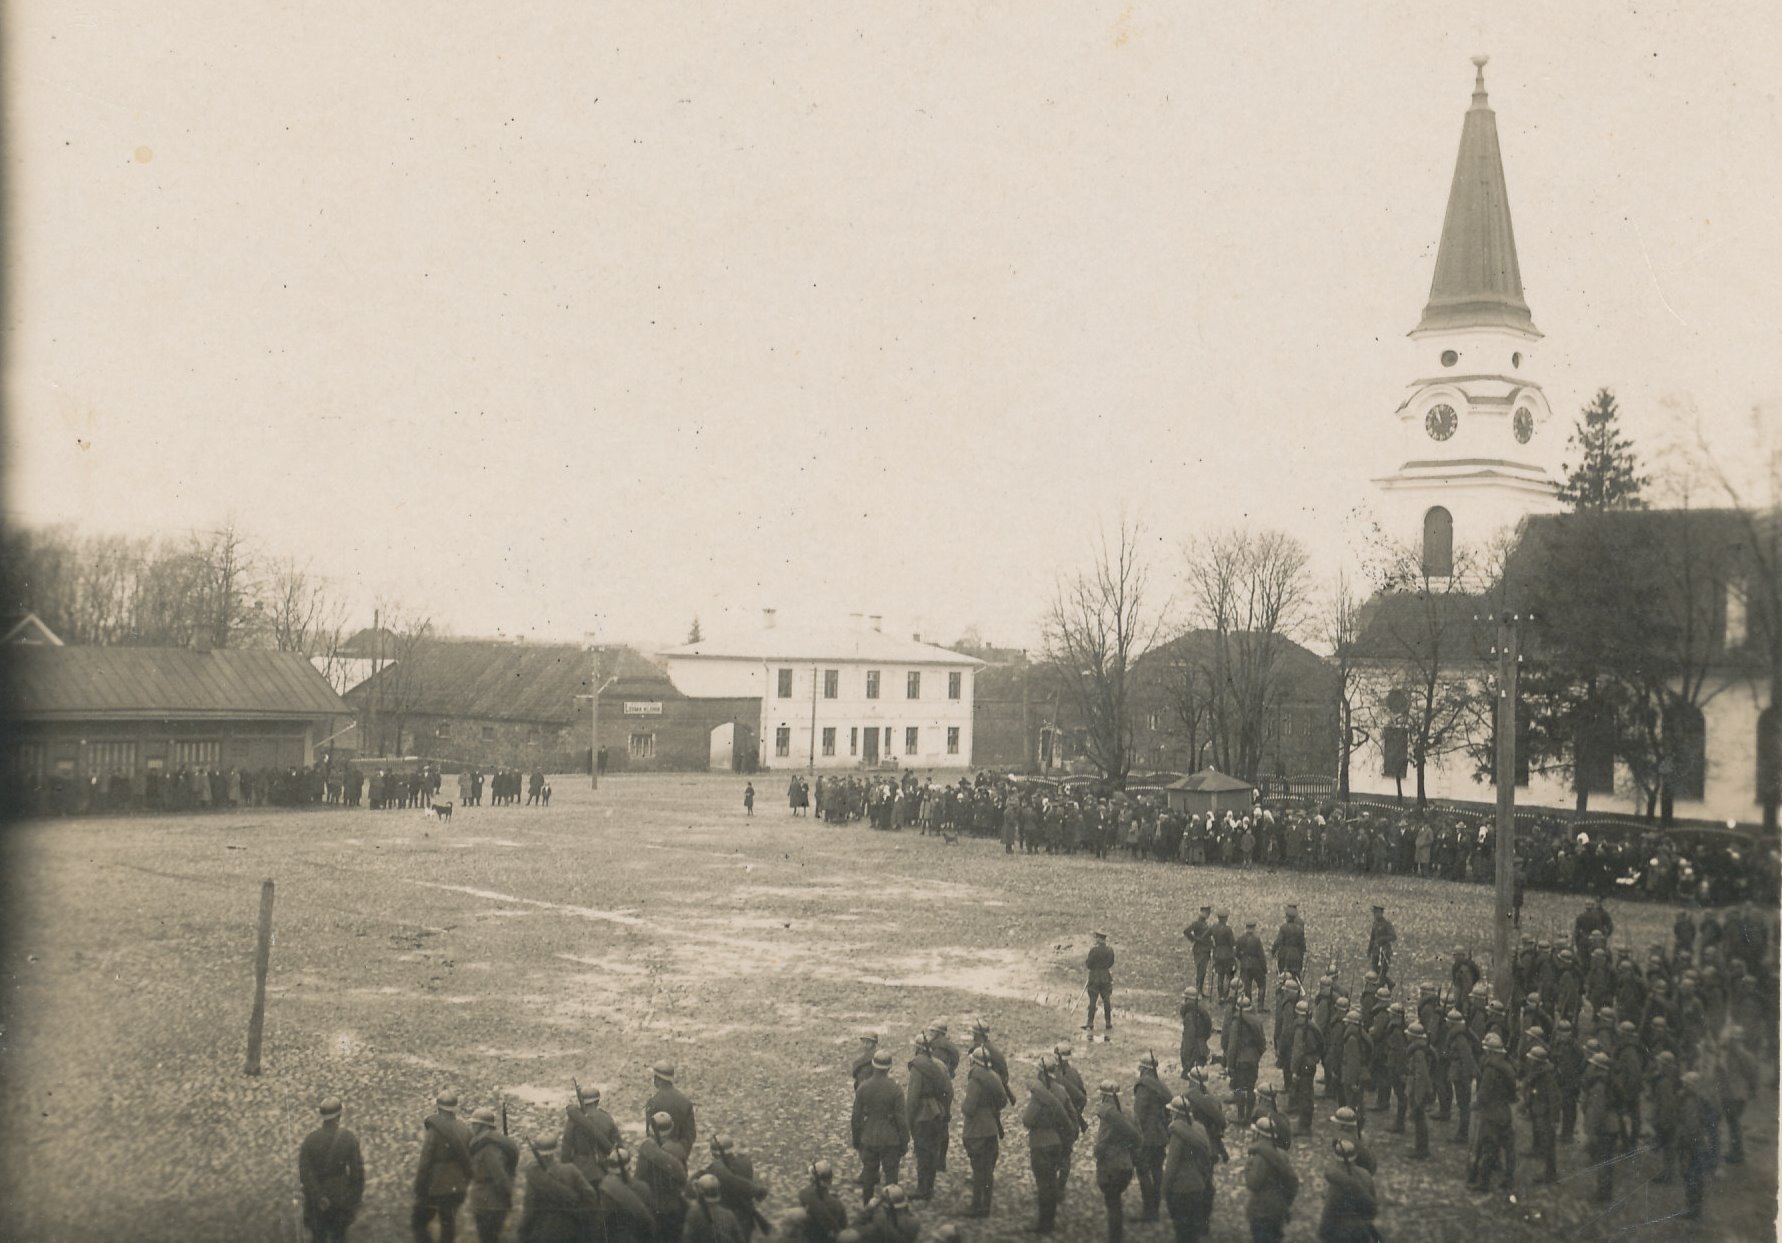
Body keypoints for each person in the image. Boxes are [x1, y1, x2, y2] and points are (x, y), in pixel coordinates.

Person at [299, 1097, 365, 1243]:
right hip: (340, 1197)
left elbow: (304, 1173)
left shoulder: (310, 1140)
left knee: (317, 1237)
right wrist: (353, 1200)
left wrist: (318, 1196)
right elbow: (357, 1173)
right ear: (339, 1115)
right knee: (339, 1237)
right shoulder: (348, 1138)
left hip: (316, 1203)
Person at [516, 1133, 602, 1243]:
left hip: (542, 1232)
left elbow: (529, 1207)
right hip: (571, 1230)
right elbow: (590, 1195)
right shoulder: (570, 1170)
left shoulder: (534, 1174)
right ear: (556, 1150)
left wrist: (522, 1231)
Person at [413, 1091, 475, 1243]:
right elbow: (471, 1156)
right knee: (448, 1225)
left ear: (438, 1108)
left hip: (437, 1184)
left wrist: (420, 1186)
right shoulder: (465, 1129)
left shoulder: (435, 1131)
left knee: (418, 1223)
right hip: (458, 1185)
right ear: (455, 1109)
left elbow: (425, 1161)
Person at [852, 1049, 909, 1206]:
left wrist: (856, 1140)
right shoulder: (895, 1089)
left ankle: (867, 1206)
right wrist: (904, 1141)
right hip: (890, 1138)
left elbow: (855, 1117)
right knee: (891, 1177)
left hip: (869, 1136)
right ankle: (891, 1207)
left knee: (869, 1175)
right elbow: (902, 1119)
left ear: (873, 1065)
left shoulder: (863, 1087)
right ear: (889, 1067)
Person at [1021, 1070, 1073, 1235]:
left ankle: (1043, 1225)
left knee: (1043, 1186)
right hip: (1055, 1141)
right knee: (1051, 1184)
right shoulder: (1058, 1094)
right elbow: (1067, 1118)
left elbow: (1027, 1120)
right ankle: (1049, 1221)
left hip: (1040, 1144)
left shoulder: (1038, 1098)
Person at [959, 1047, 1007, 1218]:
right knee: (988, 1170)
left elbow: (968, 1108)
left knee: (978, 1170)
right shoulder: (994, 1076)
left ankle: (976, 1206)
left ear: (974, 1061)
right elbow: (1003, 1101)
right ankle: (985, 1206)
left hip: (977, 1129)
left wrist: (965, 1106)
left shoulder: (975, 1079)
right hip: (991, 1127)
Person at [1160, 1095, 1214, 1243]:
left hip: (1181, 1189)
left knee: (1182, 1233)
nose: (1170, 1114)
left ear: (1177, 1113)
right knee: (1193, 1232)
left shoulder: (1178, 1134)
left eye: (1172, 1112)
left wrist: (1164, 1190)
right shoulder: (1199, 1128)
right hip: (1198, 1185)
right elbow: (1206, 1156)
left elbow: (1172, 1166)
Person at [1093, 1081, 1142, 1243]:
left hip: (1111, 1165)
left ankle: (1115, 1238)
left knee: (1113, 1203)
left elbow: (1102, 1142)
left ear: (1105, 1097)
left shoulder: (1109, 1115)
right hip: (1126, 1164)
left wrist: (1097, 1152)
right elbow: (1137, 1138)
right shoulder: (1129, 1113)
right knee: (1116, 1201)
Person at [905, 1036, 952, 1201]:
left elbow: (913, 1097)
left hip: (923, 1114)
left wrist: (908, 1120)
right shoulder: (938, 1065)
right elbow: (947, 1090)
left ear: (918, 1048)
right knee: (932, 1151)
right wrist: (945, 1110)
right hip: (937, 1111)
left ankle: (922, 1188)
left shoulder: (918, 1066)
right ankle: (929, 1187)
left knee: (922, 1151)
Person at [1469, 1032, 1517, 1192]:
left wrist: (1476, 1104)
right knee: (1508, 1147)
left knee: (1488, 1146)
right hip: (1505, 1111)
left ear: (1490, 1051)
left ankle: (1483, 1183)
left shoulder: (1491, 1069)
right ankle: (1509, 1179)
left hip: (1491, 1113)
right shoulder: (1506, 1066)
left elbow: (1484, 1091)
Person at [467, 1107, 519, 1243]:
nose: (472, 1126)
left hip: (490, 1201)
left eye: (475, 1124)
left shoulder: (489, 1148)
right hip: (487, 1200)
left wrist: (507, 1196)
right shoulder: (485, 1143)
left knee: (489, 1238)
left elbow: (500, 1175)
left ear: (483, 1126)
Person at [702, 1137, 769, 1241]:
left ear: (713, 1154)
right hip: (746, 1217)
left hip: (726, 1219)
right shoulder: (745, 1162)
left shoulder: (714, 1170)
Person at [1243, 1116, 1298, 1243]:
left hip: (1261, 1210)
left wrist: (1248, 1168)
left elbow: (1253, 1183)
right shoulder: (1282, 1154)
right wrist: (1286, 1202)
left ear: (1259, 1135)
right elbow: (1292, 1182)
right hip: (1279, 1208)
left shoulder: (1259, 1158)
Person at [636, 1111, 689, 1241]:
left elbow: (639, 1178)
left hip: (654, 1207)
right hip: (675, 1206)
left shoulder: (647, 1151)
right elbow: (683, 1177)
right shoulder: (678, 1149)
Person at [1133, 1052, 1171, 1224]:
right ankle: (1156, 1205)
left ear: (1143, 1068)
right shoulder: (1161, 1086)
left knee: (1143, 1171)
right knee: (1157, 1171)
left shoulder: (1143, 1086)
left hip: (1147, 1136)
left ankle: (1149, 1210)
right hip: (1161, 1135)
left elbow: (1139, 1113)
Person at [1317, 1139, 1376, 1243]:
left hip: (1340, 1231)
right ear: (1355, 1156)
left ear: (1336, 1158)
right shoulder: (1366, 1174)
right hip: (1362, 1229)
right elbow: (1372, 1204)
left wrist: (1322, 1232)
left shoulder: (1336, 1180)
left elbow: (1329, 1210)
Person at [562, 1084, 620, 1180]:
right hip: (604, 1169)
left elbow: (566, 1147)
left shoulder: (574, 1119)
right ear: (597, 1101)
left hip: (580, 1170)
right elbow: (618, 1144)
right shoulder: (606, 1117)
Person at [1523, 1045, 1558, 1184]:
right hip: (1539, 1110)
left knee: (1548, 1144)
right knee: (1545, 1142)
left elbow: (1554, 1098)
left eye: (1532, 1059)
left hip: (1545, 1114)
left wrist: (1554, 1118)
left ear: (1537, 1062)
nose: (1529, 1062)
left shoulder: (1547, 1077)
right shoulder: (1538, 1073)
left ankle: (1550, 1175)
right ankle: (1549, 1173)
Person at [646, 1062, 698, 1152]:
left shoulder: (653, 1102)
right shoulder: (686, 1102)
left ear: (659, 1080)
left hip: (660, 1157)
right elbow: (690, 1135)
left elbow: (650, 1134)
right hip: (680, 1157)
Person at [681, 1172, 745, 1243]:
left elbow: (686, 1239)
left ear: (700, 1193)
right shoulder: (729, 1215)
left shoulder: (694, 1214)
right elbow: (740, 1240)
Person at [798, 1160, 849, 1242]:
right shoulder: (838, 1204)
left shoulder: (804, 1194)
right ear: (830, 1180)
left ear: (812, 1179)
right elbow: (843, 1227)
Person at [1403, 1023, 1434, 1159]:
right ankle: (1420, 1148)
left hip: (1417, 1090)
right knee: (1418, 1119)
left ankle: (1421, 1150)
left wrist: (1418, 1097)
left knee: (1419, 1119)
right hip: (1416, 1088)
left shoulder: (1418, 1053)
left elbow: (1421, 1076)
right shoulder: (1420, 1049)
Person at [1085, 930, 1116, 1033]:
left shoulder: (1093, 950)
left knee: (1093, 1001)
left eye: (1096, 938)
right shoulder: (1110, 950)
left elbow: (1089, 964)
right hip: (1105, 977)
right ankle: (1108, 1023)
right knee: (1106, 1000)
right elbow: (1111, 963)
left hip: (1094, 977)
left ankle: (1090, 1023)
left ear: (1098, 939)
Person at [1178, 987, 1213, 1074]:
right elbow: (1208, 1028)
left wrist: (1186, 1058)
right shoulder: (1201, 1012)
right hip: (1202, 1049)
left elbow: (1189, 1039)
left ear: (1187, 999)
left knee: (1190, 1077)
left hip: (1194, 1052)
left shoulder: (1189, 1015)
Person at [1271, 904, 1307, 980]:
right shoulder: (1299, 929)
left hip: (1284, 956)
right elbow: (1303, 946)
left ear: (1287, 917)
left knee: (1283, 977)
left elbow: (1278, 942)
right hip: (1296, 957)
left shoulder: (1283, 928)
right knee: (1295, 979)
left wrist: (1273, 951)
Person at [1185, 905, 1214, 997]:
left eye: (1208, 913)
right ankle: (1198, 991)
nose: (1208, 915)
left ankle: (1200, 991)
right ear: (1201, 912)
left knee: (1203, 971)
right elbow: (1186, 931)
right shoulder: (1197, 923)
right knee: (1200, 971)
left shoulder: (1204, 923)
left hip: (1205, 950)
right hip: (1200, 950)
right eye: (1206, 913)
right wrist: (1195, 939)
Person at [1211, 910, 1238, 1002]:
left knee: (1220, 976)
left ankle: (1220, 996)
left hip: (1217, 954)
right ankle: (1225, 996)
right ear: (1225, 919)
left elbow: (1209, 938)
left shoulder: (1214, 927)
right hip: (1227, 955)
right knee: (1229, 975)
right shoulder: (1227, 929)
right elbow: (1232, 943)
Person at [1366, 905, 1396, 986]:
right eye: (1374, 913)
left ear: (1381, 913)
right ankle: (1388, 984)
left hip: (1384, 953)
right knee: (1374, 972)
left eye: (1377, 913)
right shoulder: (1375, 924)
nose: (1375, 915)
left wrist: (1383, 939)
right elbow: (1372, 938)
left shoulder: (1387, 924)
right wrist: (1369, 951)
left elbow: (1393, 936)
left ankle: (1384, 987)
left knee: (1382, 973)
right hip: (1375, 953)